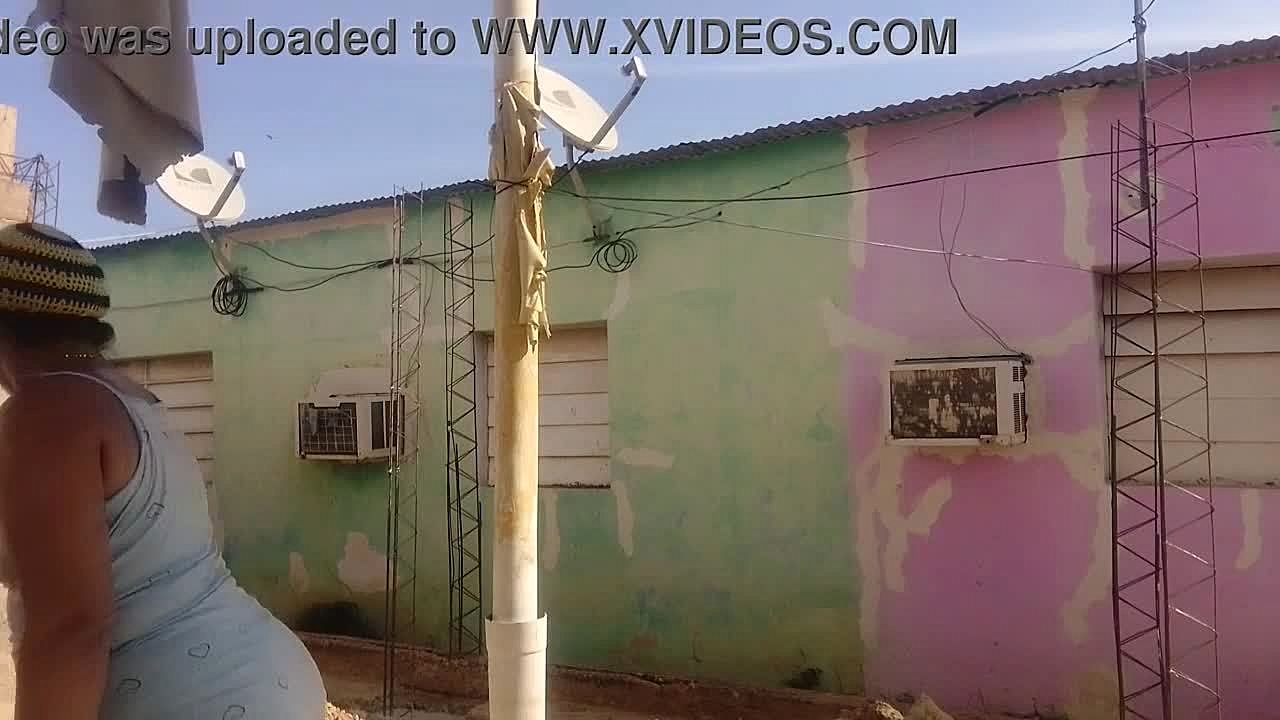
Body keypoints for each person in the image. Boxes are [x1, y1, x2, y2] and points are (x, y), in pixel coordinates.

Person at [0, 222, 326, 719]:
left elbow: (70, 628)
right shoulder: (128, 397)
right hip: (256, 675)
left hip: (203, 698)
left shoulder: (48, 409)